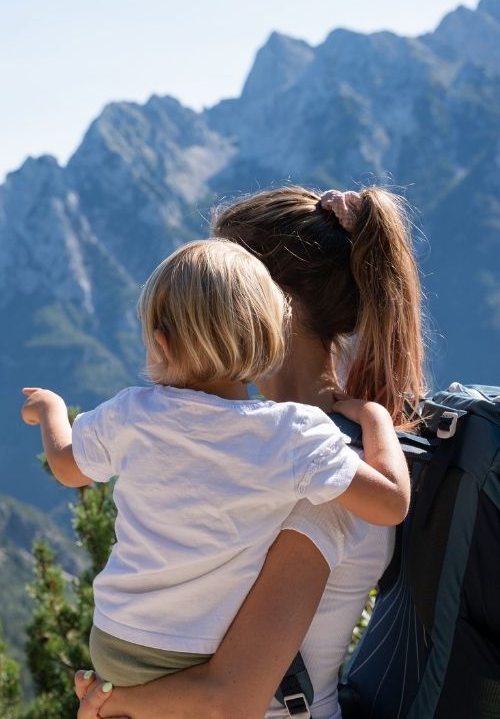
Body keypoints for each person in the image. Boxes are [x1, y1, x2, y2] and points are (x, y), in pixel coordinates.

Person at [75, 185, 426, 718]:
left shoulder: (324, 473)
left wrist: (109, 703)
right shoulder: (266, 448)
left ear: (268, 303)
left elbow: (231, 699)